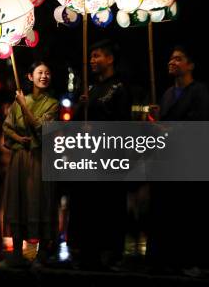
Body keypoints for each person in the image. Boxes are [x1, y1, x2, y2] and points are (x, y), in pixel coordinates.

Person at [67, 39, 132, 270]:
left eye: (97, 56)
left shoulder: (120, 88)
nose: (92, 61)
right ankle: (87, 251)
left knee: (109, 205)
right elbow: (76, 123)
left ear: (110, 59)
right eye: (91, 56)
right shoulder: (91, 89)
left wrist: (96, 129)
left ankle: (111, 253)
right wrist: (80, 107)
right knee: (87, 205)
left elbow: (123, 126)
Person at [146, 45, 209, 274]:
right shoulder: (167, 94)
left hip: (187, 161)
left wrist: (168, 129)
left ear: (190, 65)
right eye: (171, 59)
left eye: (179, 59)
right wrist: (155, 119)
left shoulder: (198, 91)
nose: (172, 62)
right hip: (166, 162)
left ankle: (187, 261)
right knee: (165, 211)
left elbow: (199, 125)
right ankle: (164, 259)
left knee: (185, 212)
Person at [0, 61, 59, 267]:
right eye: (40, 72)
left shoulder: (52, 103)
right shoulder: (17, 103)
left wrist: (24, 105)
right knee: (18, 201)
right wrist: (18, 137)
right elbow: (6, 127)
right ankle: (16, 254)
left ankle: (39, 255)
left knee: (38, 201)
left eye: (47, 72)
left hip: (39, 158)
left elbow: (41, 128)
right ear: (30, 77)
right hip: (19, 159)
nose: (44, 76)